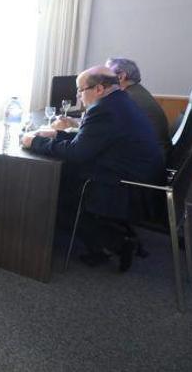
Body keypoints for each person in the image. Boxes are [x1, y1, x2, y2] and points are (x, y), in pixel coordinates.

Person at [22, 66, 165, 271]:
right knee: (64, 179)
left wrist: (33, 142)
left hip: (127, 186)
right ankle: (97, 242)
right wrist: (55, 135)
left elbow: (77, 153)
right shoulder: (120, 102)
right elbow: (92, 141)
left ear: (98, 88)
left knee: (53, 195)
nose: (78, 96)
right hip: (140, 176)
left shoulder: (103, 109)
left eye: (80, 90)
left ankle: (116, 243)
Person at [106, 57, 170, 156]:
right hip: (153, 154)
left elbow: (107, 132)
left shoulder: (127, 98)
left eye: (106, 75)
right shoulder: (136, 92)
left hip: (147, 158)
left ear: (120, 77)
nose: (102, 80)